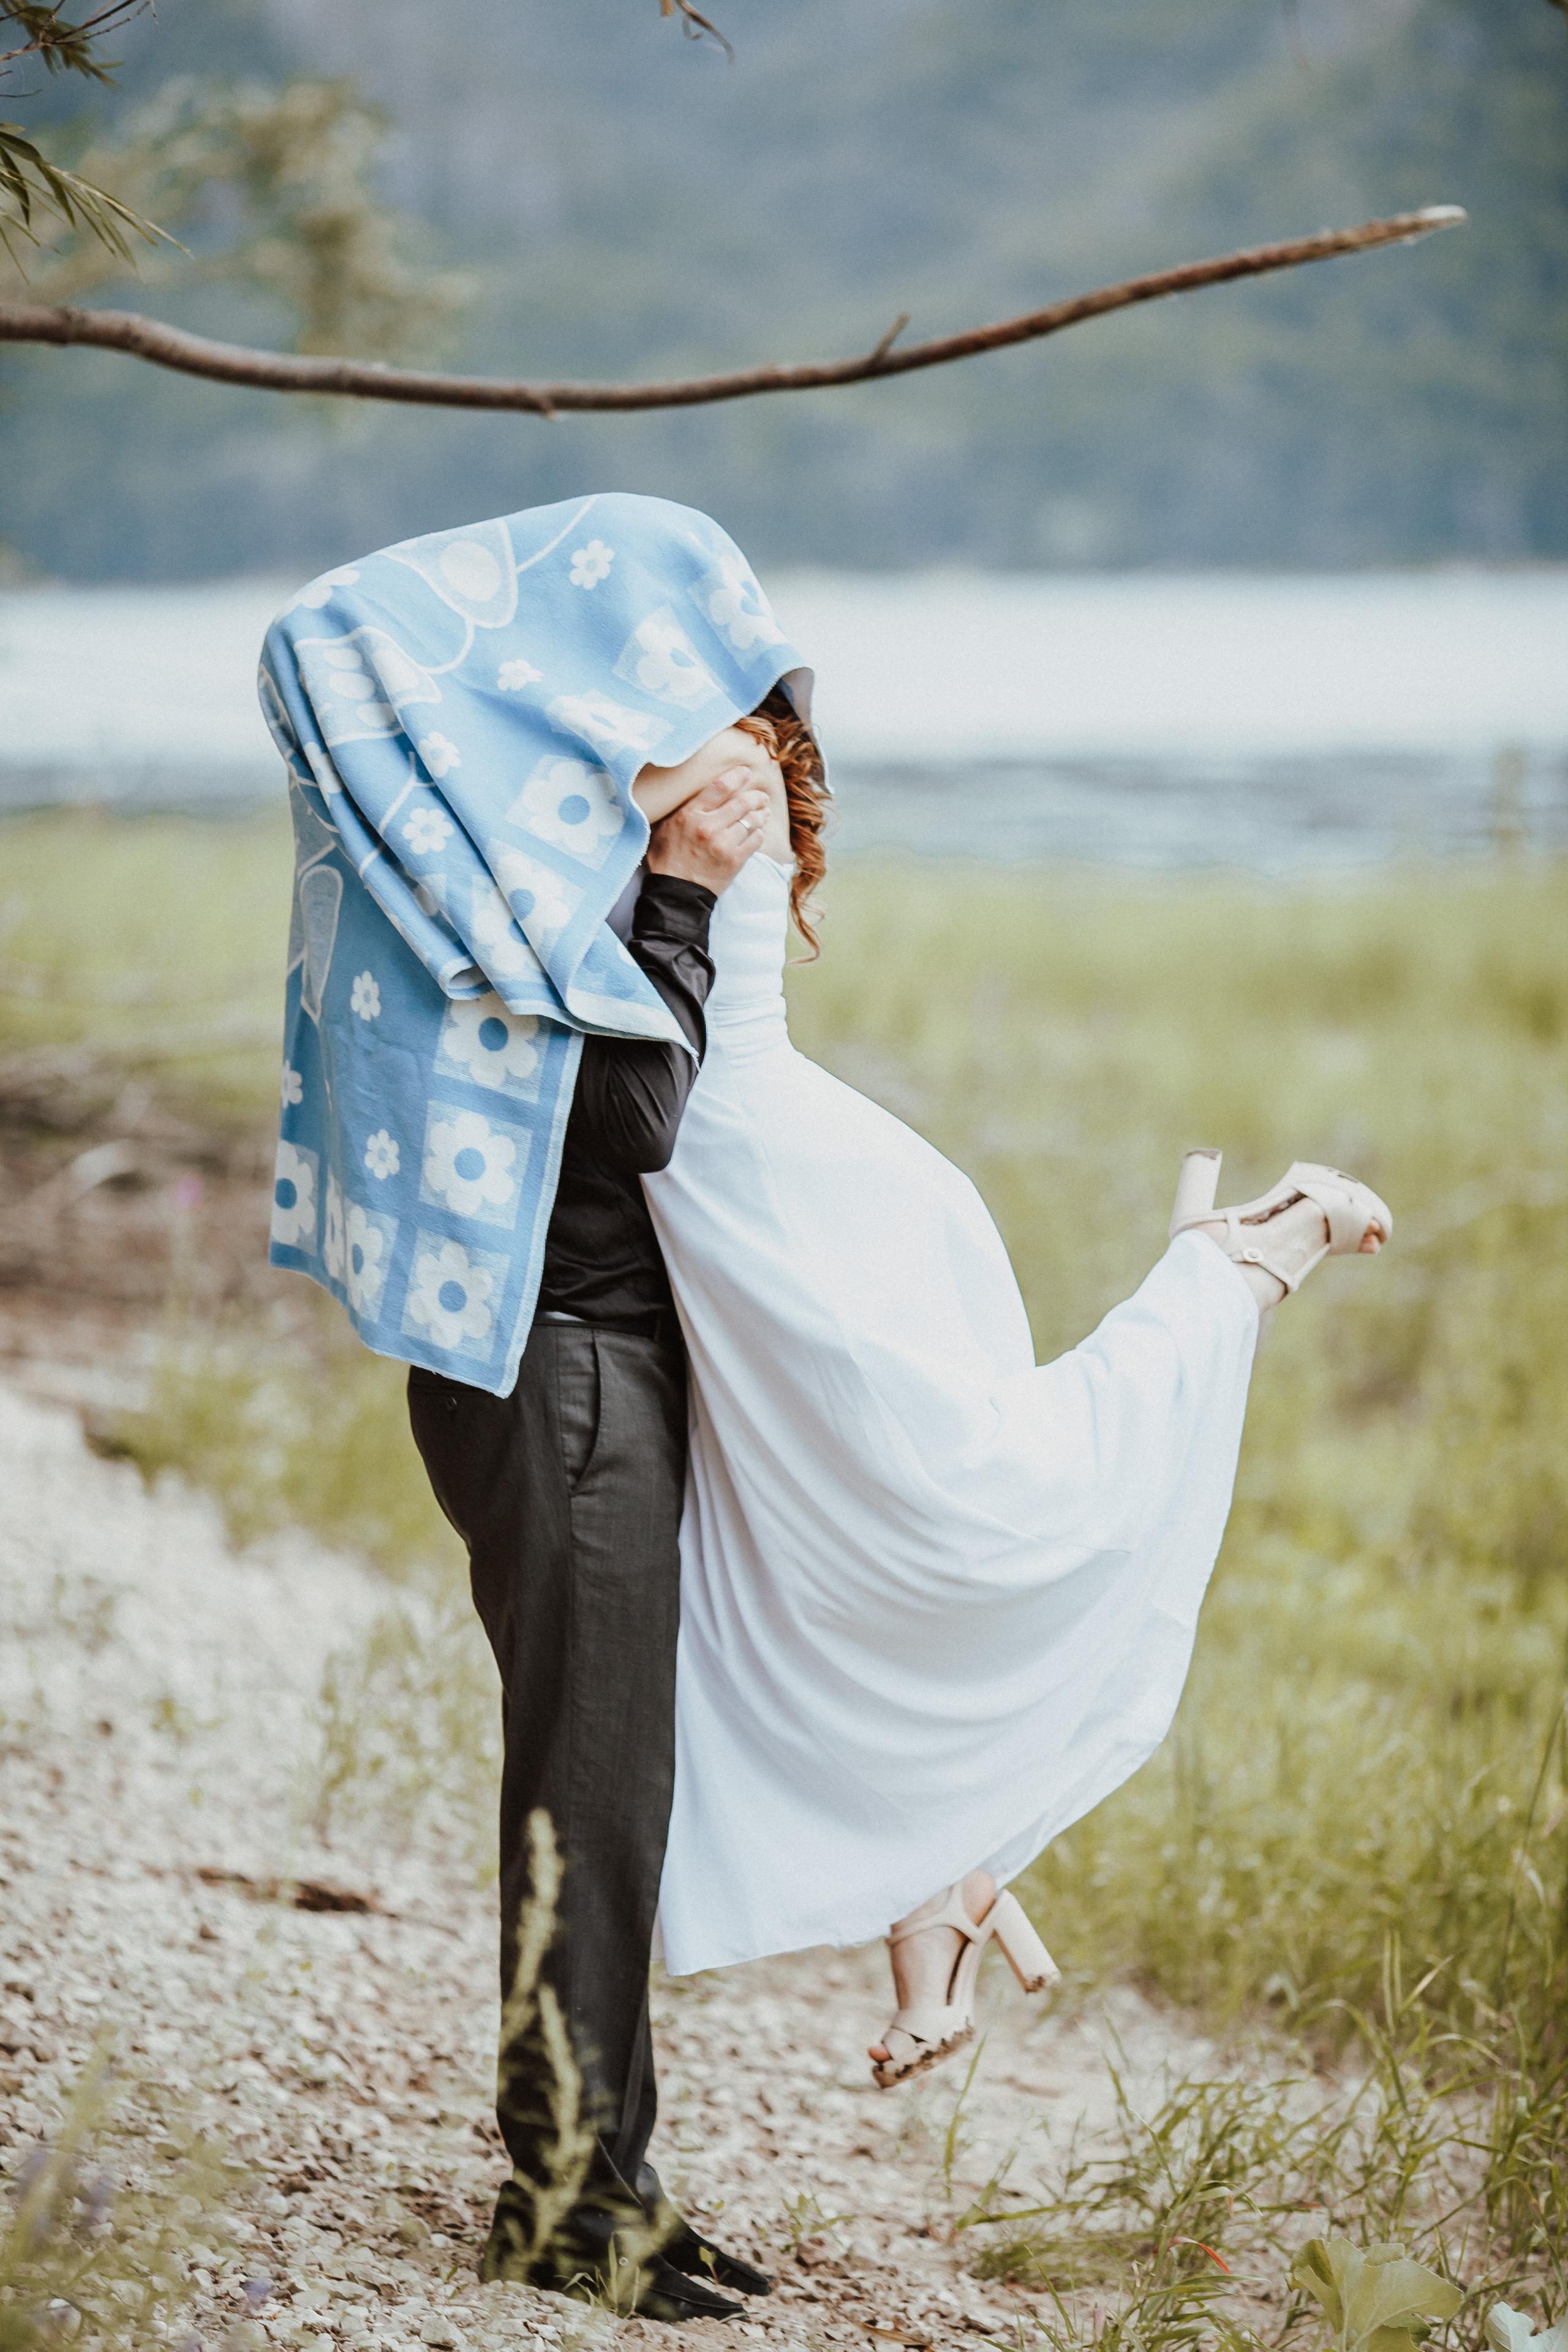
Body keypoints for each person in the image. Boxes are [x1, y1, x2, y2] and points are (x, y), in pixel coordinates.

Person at [629, 701, 1390, 2089]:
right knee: (782, 1563)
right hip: (717, 1182)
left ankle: (1235, 1267)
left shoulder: (704, 759)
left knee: (961, 1502)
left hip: (763, 1179)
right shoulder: (656, 747)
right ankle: (939, 1888)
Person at [258, 495, 823, 2323]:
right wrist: (681, 897)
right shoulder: (517, 871)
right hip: (568, 1363)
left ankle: (608, 2175)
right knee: (590, 1787)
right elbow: (622, 1126)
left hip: (541, 1360)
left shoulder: (505, 840)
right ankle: (575, 2198)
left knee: (610, 1786)